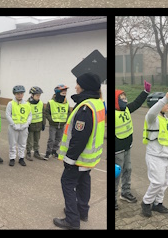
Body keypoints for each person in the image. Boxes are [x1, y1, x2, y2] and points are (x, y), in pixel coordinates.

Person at [54, 72, 105, 229]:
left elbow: (79, 138)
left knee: (67, 183)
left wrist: (69, 160)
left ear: (85, 87)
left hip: (79, 158)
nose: (75, 86)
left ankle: (72, 219)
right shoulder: (98, 103)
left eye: (78, 84)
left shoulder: (85, 107)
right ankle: (82, 211)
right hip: (89, 159)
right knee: (83, 182)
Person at [141, 87, 168, 217]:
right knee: (157, 182)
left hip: (167, 156)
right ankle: (146, 202)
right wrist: (166, 98)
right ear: (158, 103)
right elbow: (153, 111)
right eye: (165, 103)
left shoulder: (165, 118)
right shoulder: (152, 118)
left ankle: (158, 203)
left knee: (164, 183)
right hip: (155, 155)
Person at [115, 81, 150, 211]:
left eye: (125, 98)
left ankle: (125, 192)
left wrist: (145, 92)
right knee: (116, 174)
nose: (125, 100)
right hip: (117, 151)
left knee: (128, 169)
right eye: (121, 98)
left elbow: (137, 102)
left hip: (127, 146)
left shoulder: (127, 109)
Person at [6, 84, 31, 166]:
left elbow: (30, 115)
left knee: (22, 143)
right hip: (14, 127)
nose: (20, 95)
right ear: (14, 94)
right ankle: (12, 158)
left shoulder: (27, 104)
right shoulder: (11, 103)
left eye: (21, 93)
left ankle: (21, 158)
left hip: (23, 127)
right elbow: (8, 115)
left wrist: (26, 124)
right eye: (18, 93)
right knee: (12, 143)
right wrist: (13, 124)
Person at [44, 83, 71, 160]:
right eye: (63, 92)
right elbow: (46, 112)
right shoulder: (51, 102)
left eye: (65, 93)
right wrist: (51, 120)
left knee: (58, 139)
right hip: (53, 124)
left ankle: (54, 151)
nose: (64, 94)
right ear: (58, 93)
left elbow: (69, 112)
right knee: (51, 139)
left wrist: (66, 120)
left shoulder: (66, 103)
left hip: (62, 124)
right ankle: (48, 152)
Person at [26, 86, 46, 161]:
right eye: (37, 95)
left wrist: (43, 123)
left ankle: (36, 152)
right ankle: (28, 152)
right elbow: (26, 115)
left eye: (39, 95)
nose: (38, 97)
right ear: (32, 95)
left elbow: (43, 113)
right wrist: (26, 125)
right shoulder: (27, 104)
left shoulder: (40, 103)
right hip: (31, 125)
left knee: (37, 140)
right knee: (30, 141)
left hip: (38, 125)